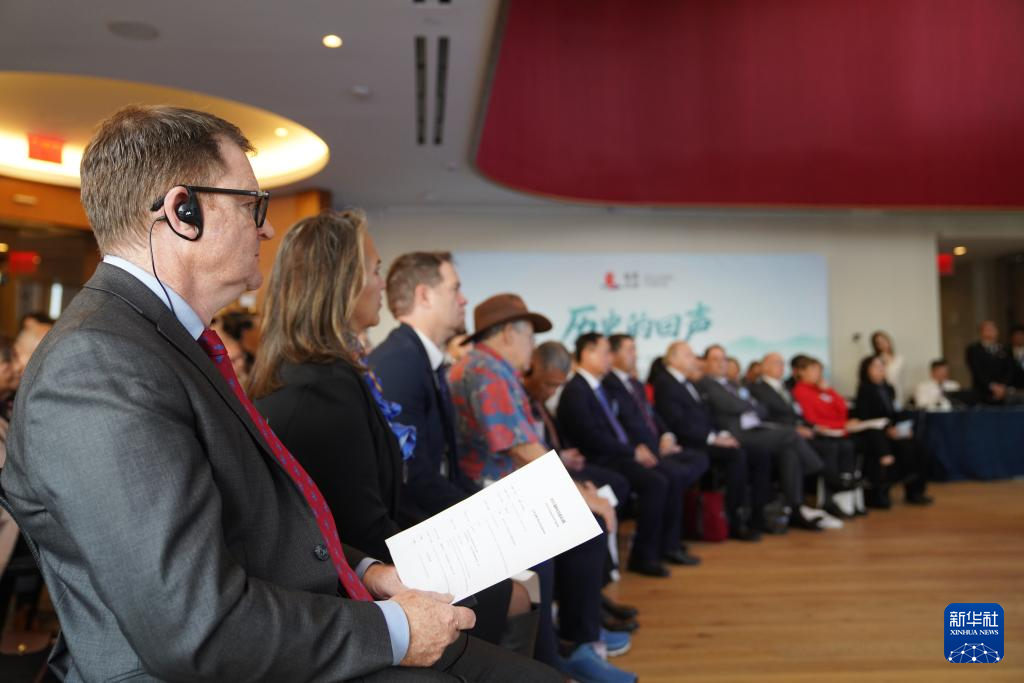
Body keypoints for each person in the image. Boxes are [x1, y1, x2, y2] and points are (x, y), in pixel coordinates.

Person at [1, 104, 552, 682]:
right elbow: (195, 628)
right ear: (183, 212)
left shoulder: (156, 342)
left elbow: (252, 526)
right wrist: (396, 629)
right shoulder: (98, 364)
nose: (265, 229)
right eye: (251, 205)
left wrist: (367, 572)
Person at [249, 211, 550, 672]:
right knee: (518, 602)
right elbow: (361, 525)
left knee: (520, 591)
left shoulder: (323, 374)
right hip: (360, 593)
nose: (381, 285)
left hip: (369, 566)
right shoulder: (325, 388)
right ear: (344, 281)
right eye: (373, 270)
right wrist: (463, 544)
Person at [449, 296, 636, 683]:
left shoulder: (490, 368)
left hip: (501, 488)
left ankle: (577, 641)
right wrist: (581, 494)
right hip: (492, 496)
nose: (532, 347)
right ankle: (560, 655)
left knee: (585, 526)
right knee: (584, 525)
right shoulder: (487, 370)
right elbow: (520, 447)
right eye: (529, 337)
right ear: (506, 333)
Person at [558, 333, 692, 577]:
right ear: (587, 353)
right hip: (597, 458)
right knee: (656, 482)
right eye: (605, 352)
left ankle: (661, 547)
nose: (610, 357)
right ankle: (643, 556)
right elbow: (591, 437)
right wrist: (632, 451)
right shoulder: (576, 390)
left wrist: (636, 449)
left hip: (615, 453)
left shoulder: (597, 387)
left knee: (667, 475)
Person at [369, 252, 480, 522]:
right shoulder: (399, 362)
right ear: (425, 296)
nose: (464, 299)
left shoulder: (417, 357)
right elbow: (411, 475)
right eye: (455, 289)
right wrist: (479, 515)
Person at [604, 333, 708, 562]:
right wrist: (636, 450)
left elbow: (652, 415)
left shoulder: (634, 383)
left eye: (635, 349)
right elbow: (619, 426)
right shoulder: (608, 384)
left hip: (654, 447)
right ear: (613, 354)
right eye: (630, 349)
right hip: (632, 453)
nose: (635, 355)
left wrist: (666, 435)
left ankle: (668, 541)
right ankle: (656, 549)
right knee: (669, 477)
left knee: (693, 461)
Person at [699, 345, 827, 531]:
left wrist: (746, 406)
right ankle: (820, 471)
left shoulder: (733, 384)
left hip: (755, 428)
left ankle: (795, 507)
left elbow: (760, 408)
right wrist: (747, 405)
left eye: (723, 359)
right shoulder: (707, 383)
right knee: (790, 434)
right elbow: (731, 405)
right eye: (715, 359)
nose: (721, 363)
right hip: (736, 434)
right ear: (705, 362)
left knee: (789, 452)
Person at [652, 341, 769, 540]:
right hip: (689, 442)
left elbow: (704, 416)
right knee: (736, 456)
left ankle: (757, 517)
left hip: (705, 437)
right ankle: (732, 520)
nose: (694, 359)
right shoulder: (666, 383)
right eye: (688, 355)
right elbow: (678, 423)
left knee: (759, 454)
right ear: (673, 359)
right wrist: (713, 438)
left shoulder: (686, 382)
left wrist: (720, 434)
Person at [785, 357, 861, 518]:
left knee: (848, 446)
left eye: (819, 370)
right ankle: (829, 497)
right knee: (832, 448)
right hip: (817, 435)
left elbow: (842, 410)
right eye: (813, 370)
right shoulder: (800, 391)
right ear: (801, 372)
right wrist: (842, 425)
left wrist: (829, 391)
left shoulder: (821, 389)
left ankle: (845, 492)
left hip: (833, 432)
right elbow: (812, 419)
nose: (818, 374)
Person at [854, 355, 933, 508]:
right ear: (866, 370)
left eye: (882, 366)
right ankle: (882, 492)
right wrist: (888, 429)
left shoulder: (888, 388)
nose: (880, 369)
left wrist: (903, 428)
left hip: (893, 430)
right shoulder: (864, 390)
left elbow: (895, 411)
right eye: (876, 366)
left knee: (920, 448)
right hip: (876, 433)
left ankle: (915, 492)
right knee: (904, 449)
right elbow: (864, 416)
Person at [965, 320, 1014, 404]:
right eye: (987, 330)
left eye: (992, 329)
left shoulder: (1005, 349)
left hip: (1003, 393)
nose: (990, 332)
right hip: (981, 392)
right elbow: (976, 370)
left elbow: (1010, 369)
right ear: (981, 332)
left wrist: (1002, 386)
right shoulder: (974, 349)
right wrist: (992, 386)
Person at [871, 331, 906, 405]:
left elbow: (901, 378)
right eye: (879, 343)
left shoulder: (899, 359)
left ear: (888, 340)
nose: (882, 344)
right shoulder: (877, 360)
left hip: (898, 393)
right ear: (876, 346)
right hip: (882, 394)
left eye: (883, 340)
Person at [1008, 324, 1024, 389]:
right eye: (1016, 335)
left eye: (1021, 335)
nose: (1019, 337)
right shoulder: (1005, 352)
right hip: (1011, 388)